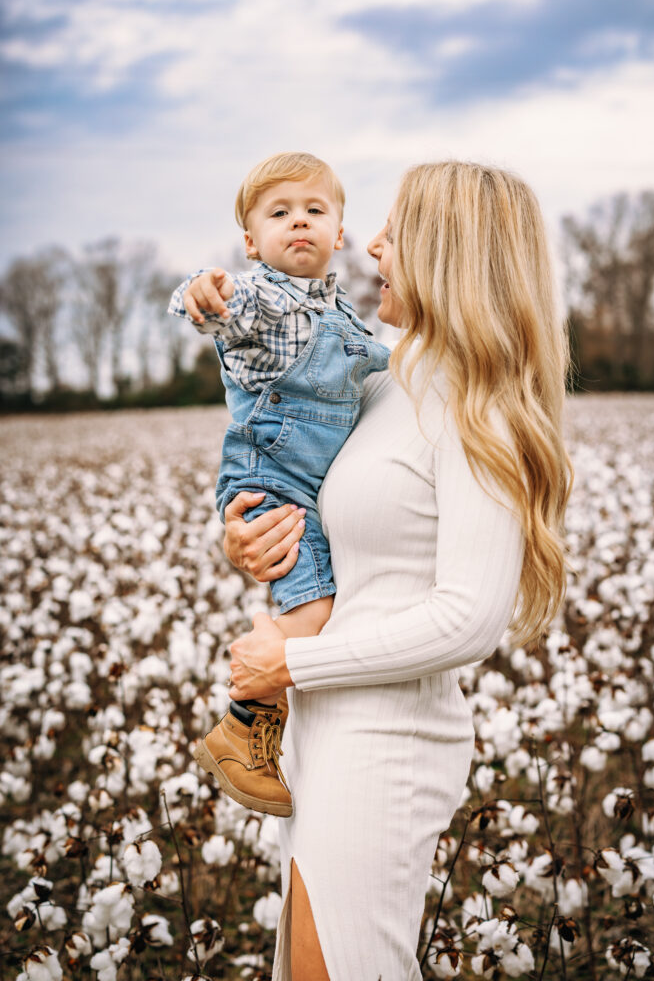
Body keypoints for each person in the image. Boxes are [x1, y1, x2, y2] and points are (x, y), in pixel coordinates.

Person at [189, 160, 572, 981]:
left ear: (445, 251)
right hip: (321, 730)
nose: (367, 247)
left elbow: (467, 618)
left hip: (386, 740)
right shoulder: (381, 377)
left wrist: (289, 662)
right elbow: (314, 501)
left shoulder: (482, 407)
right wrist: (248, 536)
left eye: (392, 233)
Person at [168, 152, 390, 819]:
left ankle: (256, 726)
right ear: (250, 243)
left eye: (314, 211)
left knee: (312, 599)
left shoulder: (344, 313)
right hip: (274, 483)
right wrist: (201, 293)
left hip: (302, 483)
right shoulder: (262, 298)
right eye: (279, 213)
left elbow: (378, 369)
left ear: (340, 233)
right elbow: (211, 308)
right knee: (312, 604)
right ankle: (244, 728)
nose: (299, 223)